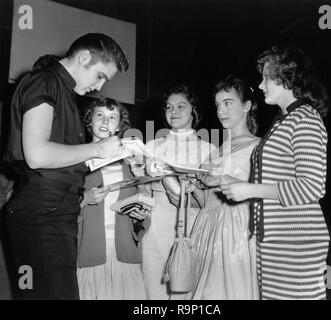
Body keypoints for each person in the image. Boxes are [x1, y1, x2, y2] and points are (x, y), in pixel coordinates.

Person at [3, 33, 128, 300]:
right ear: (83, 58)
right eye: (100, 75)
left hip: (55, 213)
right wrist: (97, 149)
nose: (99, 86)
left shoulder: (63, 92)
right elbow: (36, 155)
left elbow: (56, 158)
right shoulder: (46, 81)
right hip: (42, 213)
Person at [219, 47, 330, 300]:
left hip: (296, 243)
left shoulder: (306, 120)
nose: (260, 85)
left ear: (287, 78)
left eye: (267, 78)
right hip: (273, 241)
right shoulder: (282, 121)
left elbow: (312, 187)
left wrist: (249, 190)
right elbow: (275, 179)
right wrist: (235, 183)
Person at [133, 84, 215, 299]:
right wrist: (137, 175)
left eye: (181, 106)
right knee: (153, 288)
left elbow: (210, 200)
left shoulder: (209, 150)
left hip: (191, 224)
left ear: (193, 111)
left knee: (185, 289)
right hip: (155, 224)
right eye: (169, 107)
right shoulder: (151, 146)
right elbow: (144, 192)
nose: (174, 112)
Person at [187, 76, 260, 300]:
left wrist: (222, 179)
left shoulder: (259, 146)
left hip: (236, 230)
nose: (221, 110)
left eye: (228, 103)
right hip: (206, 227)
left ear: (247, 106)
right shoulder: (215, 151)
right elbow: (205, 202)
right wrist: (192, 186)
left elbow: (264, 194)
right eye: (218, 105)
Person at [76, 97, 150, 300]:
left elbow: (142, 214)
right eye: (99, 115)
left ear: (119, 126)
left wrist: (140, 213)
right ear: (90, 120)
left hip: (123, 251)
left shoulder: (129, 163)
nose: (105, 121)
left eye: (112, 117)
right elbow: (59, 205)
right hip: (89, 250)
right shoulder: (76, 159)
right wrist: (84, 198)